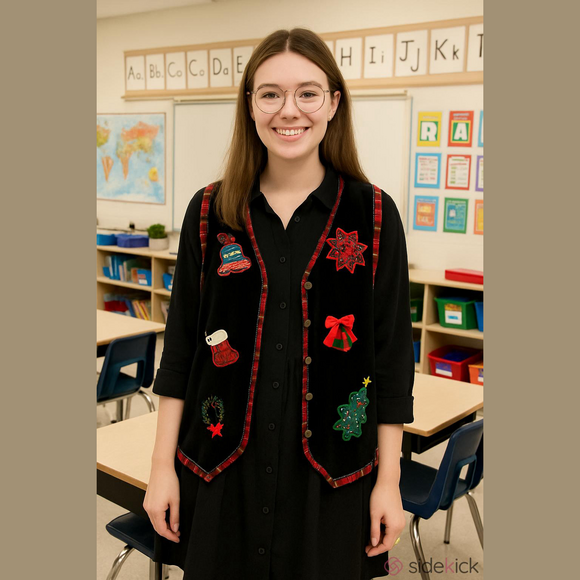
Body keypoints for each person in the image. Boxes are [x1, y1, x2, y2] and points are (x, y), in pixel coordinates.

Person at [144, 27, 415, 580]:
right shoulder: (210, 212)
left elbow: (390, 362)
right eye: (270, 94)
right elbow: (181, 351)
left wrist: (388, 481)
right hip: (222, 468)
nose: (289, 110)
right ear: (250, 105)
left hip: (331, 476)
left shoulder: (374, 216)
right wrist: (160, 468)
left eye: (307, 93)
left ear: (333, 103)